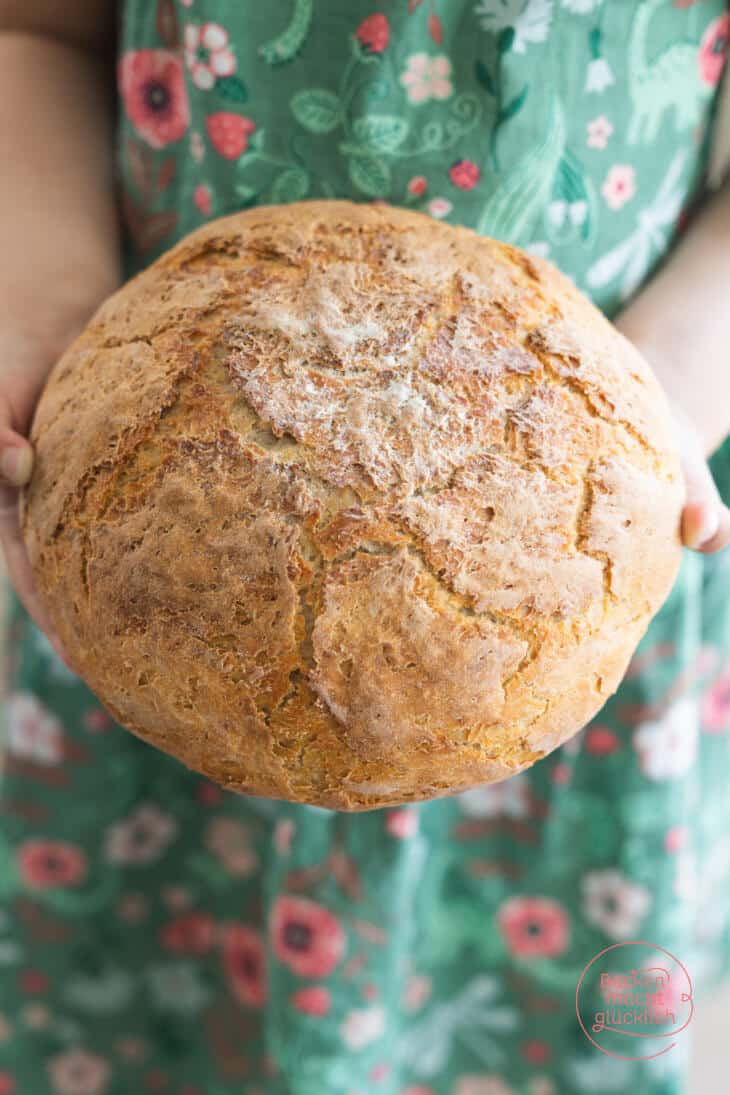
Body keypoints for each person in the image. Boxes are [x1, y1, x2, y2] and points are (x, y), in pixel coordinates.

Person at [1, 2, 730, 1092]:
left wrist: (665, 392)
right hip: (166, 554)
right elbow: (39, 34)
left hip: (562, 595)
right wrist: (39, 314)